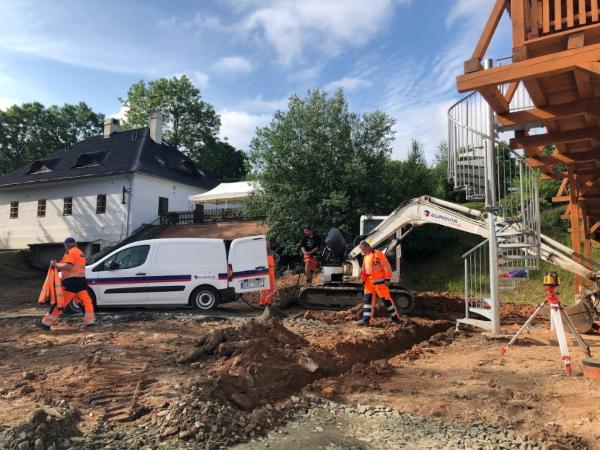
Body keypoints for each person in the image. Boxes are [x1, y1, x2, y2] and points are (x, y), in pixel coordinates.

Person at [37, 237, 96, 330]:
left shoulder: (70, 252)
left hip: (71, 283)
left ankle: (46, 323)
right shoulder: (80, 253)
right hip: (81, 282)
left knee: (60, 304)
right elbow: (69, 266)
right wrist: (58, 265)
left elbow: (68, 266)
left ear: (66, 245)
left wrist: (55, 265)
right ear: (75, 244)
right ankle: (90, 322)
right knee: (86, 302)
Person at [356, 240, 400, 326]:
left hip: (379, 283)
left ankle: (395, 319)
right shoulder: (366, 256)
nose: (362, 251)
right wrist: (363, 280)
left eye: (363, 249)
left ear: (368, 247)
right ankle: (366, 320)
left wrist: (387, 279)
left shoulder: (378, 254)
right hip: (369, 283)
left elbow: (387, 267)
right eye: (361, 249)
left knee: (386, 300)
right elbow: (364, 270)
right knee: (367, 301)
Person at [259, 242, 276, 306]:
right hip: (264, 271)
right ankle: (262, 302)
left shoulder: (272, 252)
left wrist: (275, 263)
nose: (267, 246)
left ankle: (268, 301)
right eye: (266, 245)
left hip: (271, 270)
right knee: (263, 286)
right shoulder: (262, 253)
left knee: (271, 286)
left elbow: (278, 257)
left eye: (268, 245)